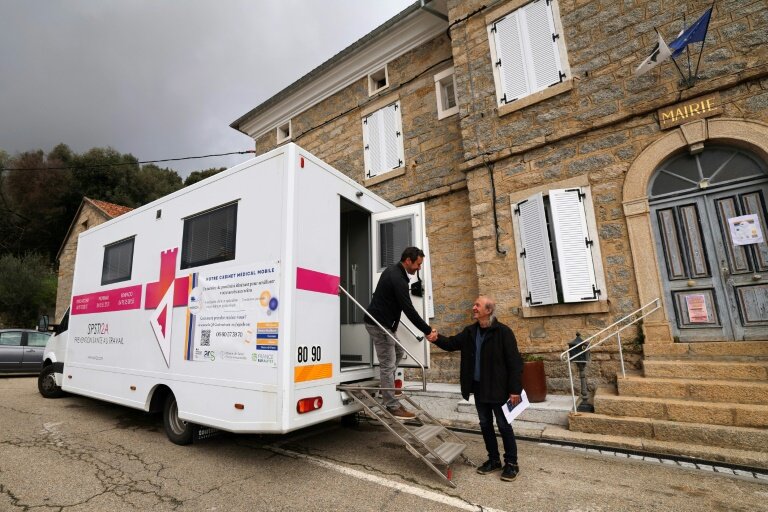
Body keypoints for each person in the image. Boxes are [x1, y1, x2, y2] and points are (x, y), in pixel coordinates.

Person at [428, 295, 523, 481]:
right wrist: (436, 338)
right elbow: (451, 344)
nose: (473, 308)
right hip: (479, 389)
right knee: (485, 425)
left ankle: (511, 464)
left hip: (499, 389)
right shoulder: (470, 332)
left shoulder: (504, 332)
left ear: (488, 310)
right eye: (474, 305)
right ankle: (494, 460)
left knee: (504, 426)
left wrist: (515, 390)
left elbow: (515, 363)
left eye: (477, 305)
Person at [365, 246, 436, 419]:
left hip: (385, 324)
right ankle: (391, 405)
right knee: (388, 364)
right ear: (408, 261)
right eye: (418, 264)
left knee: (398, 352)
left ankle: (386, 388)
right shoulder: (397, 278)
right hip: (378, 324)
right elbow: (409, 310)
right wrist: (427, 330)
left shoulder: (396, 272)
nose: (419, 268)